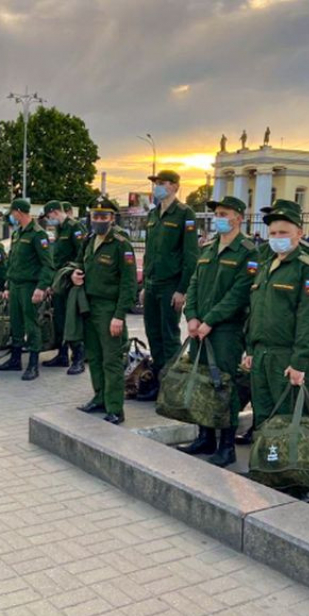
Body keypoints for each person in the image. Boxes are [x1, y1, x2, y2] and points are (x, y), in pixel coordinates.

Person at [243, 200, 309, 464]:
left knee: (292, 420)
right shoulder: (266, 265)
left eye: (283, 233)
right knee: (264, 417)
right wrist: (249, 349)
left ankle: (297, 478)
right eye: (273, 234)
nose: (277, 238)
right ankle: (268, 469)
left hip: (288, 358)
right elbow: (255, 311)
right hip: (262, 355)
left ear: (299, 234)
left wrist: (300, 361)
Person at [179, 196, 258, 466]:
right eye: (217, 214)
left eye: (224, 213)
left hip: (226, 331)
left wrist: (210, 320)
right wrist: (191, 316)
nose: (219, 218)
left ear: (238, 217)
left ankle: (226, 446)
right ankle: (205, 437)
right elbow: (193, 283)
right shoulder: (209, 248)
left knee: (224, 386)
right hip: (199, 329)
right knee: (202, 382)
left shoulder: (248, 251)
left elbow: (239, 294)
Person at [74, 197, 137, 424]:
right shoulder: (89, 240)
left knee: (111, 360)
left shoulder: (121, 244)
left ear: (112, 218)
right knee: (95, 356)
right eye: (95, 216)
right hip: (89, 307)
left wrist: (119, 315)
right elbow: (80, 264)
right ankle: (99, 397)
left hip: (109, 309)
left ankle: (115, 408)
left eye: (103, 216)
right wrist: (75, 274)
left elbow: (129, 284)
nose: (98, 220)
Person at [138, 169, 199, 400]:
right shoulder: (153, 215)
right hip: (153, 285)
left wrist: (182, 290)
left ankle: (171, 387)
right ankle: (158, 381)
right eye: (156, 184)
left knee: (169, 336)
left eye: (162, 183)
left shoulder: (185, 213)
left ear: (175, 186)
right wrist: (144, 284)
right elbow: (149, 253)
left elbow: (190, 256)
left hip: (171, 286)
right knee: (153, 334)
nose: (158, 187)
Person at [0, 199, 54, 380]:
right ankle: (15, 359)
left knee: (31, 324)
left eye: (12, 213)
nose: (11, 217)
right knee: (16, 322)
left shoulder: (38, 234)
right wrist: (7, 284)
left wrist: (41, 287)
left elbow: (47, 264)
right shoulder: (18, 233)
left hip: (30, 286)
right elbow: (12, 261)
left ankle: (33, 364)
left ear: (19, 212)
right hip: (15, 285)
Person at [42, 200, 86, 374]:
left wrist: (75, 275)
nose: (48, 220)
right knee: (59, 319)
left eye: (48, 216)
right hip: (60, 281)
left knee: (72, 321)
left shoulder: (75, 227)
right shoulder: (59, 229)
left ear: (54, 212)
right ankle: (62, 355)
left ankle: (78, 359)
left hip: (71, 281)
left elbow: (82, 255)